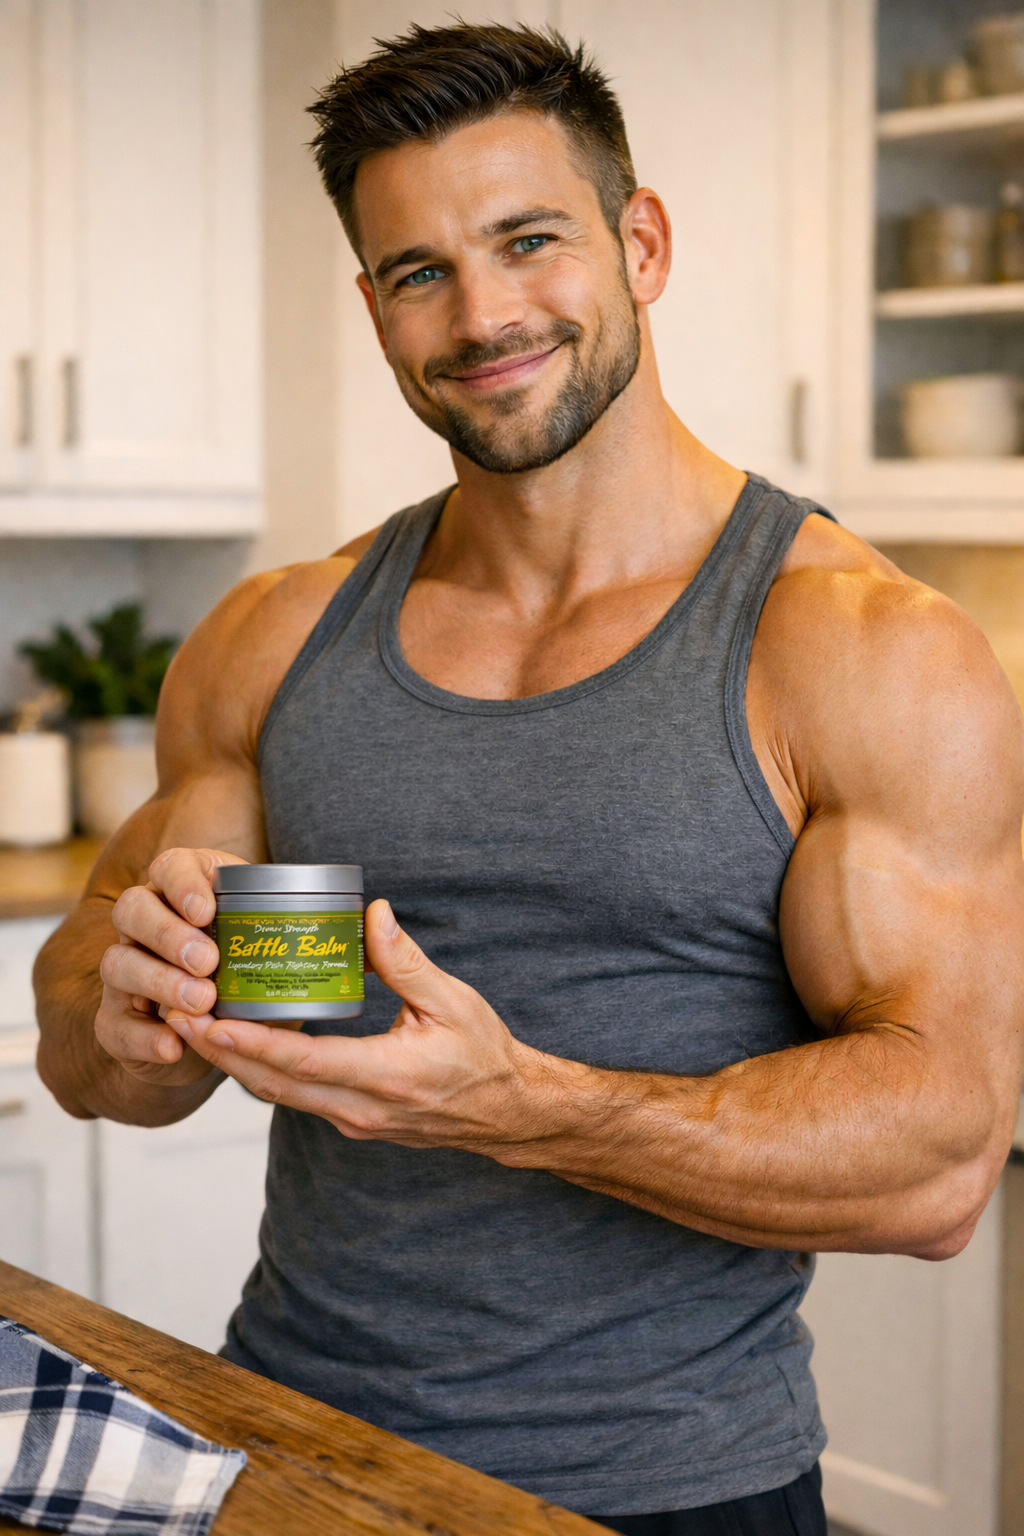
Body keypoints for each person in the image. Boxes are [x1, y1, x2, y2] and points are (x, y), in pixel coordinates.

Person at [35, 23, 1024, 1536]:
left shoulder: (864, 652)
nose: (484, 313)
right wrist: (131, 1016)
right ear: (372, 311)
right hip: (291, 1447)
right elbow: (84, 1055)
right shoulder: (272, 635)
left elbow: (943, 1162)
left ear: (642, 243)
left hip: (673, 1492)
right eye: (420, 271)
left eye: (530, 240)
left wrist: (523, 1106)